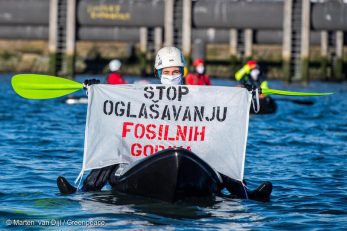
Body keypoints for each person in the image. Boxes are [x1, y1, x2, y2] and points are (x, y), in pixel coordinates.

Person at [57, 47, 272, 201]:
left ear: (183, 72)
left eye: (176, 71)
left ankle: (246, 194)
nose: (171, 76)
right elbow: (117, 105)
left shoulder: (197, 95)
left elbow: (220, 103)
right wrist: (96, 91)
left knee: (220, 150)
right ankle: (83, 191)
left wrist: (245, 93)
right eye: (166, 72)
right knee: (113, 146)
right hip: (146, 156)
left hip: (190, 154)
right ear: (158, 74)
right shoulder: (145, 95)